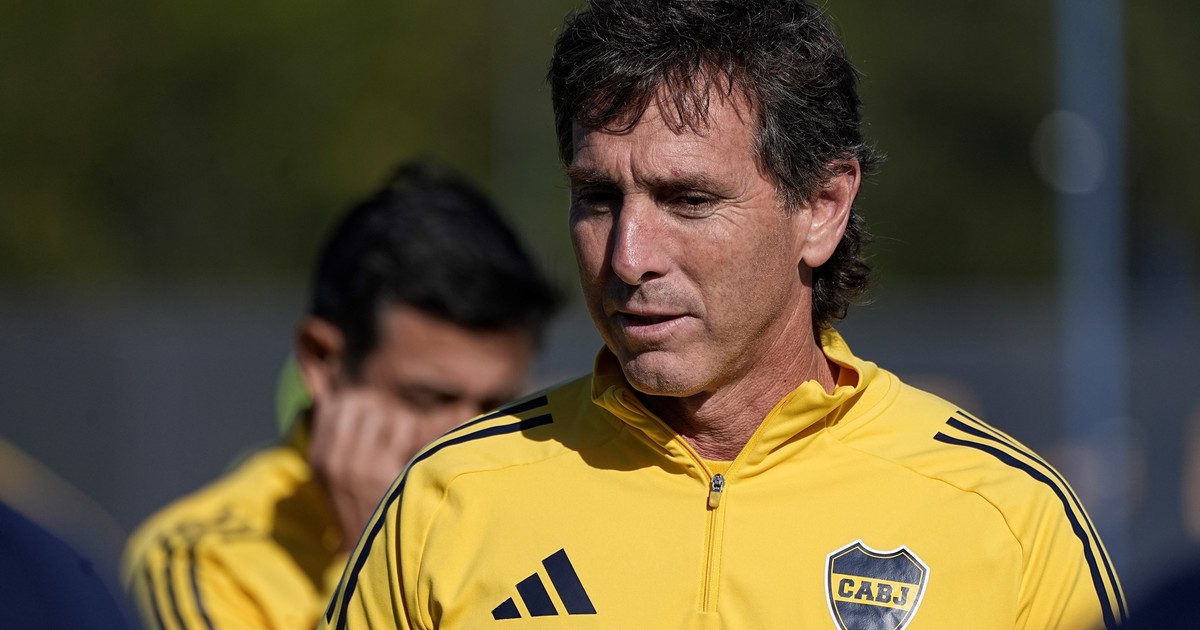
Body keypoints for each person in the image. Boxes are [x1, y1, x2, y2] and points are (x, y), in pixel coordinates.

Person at [319, 2, 1126, 628]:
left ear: (822, 206)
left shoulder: (1005, 517)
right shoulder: (447, 500)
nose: (629, 256)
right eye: (598, 197)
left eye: (689, 199)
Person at [121, 159, 560, 629]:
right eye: (428, 399)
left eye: (495, 405)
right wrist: (380, 556)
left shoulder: (547, 519)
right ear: (323, 362)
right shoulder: (200, 566)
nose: (466, 437)